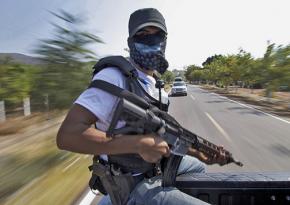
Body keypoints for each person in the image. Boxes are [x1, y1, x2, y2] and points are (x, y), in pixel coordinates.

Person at [57, 8, 225, 205]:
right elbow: (67, 136)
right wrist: (137, 144)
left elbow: (163, 136)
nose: (151, 40)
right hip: (129, 182)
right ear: (130, 42)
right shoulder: (114, 77)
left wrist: (201, 153)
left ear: (165, 41)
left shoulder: (155, 85)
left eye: (157, 35)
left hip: (154, 169)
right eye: (142, 35)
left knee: (197, 167)